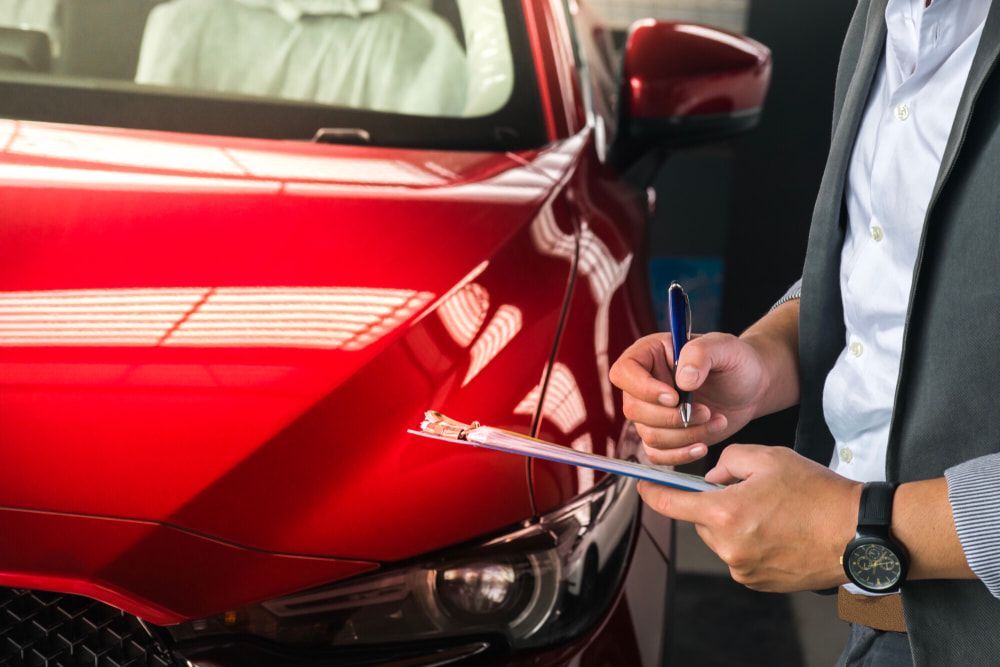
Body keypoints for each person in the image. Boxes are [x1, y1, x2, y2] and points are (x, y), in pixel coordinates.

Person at [609, 0, 1000, 664]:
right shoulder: (886, 18)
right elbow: (900, 274)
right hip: (885, 618)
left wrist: (860, 524)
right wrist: (767, 359)